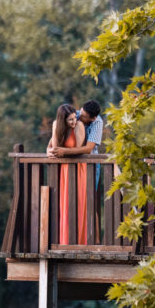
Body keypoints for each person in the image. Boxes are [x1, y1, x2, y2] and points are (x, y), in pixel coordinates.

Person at [49, 103, 87, 245]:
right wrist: (55, 128)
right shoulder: (57, 125)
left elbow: (79, 149)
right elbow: (54, 147)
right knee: (63, 205)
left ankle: (79, 242)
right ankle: (64, 241)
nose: (74, 122)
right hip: (63, 169)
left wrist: (62, 151)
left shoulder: (79, 126)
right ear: (62, 120)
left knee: (77, 203)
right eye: (70, 120)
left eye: (74, 118)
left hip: (78, 168)